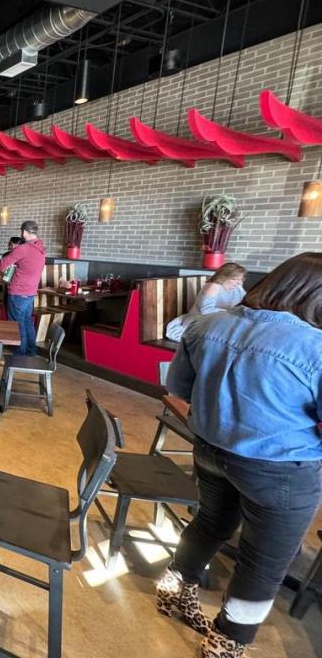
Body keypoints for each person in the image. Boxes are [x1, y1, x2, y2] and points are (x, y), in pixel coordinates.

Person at [161, 252, 322, 658]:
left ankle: (172, 591)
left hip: (209, 451)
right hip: (281, 470)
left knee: (209, 523)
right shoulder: (315, 348)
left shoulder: (207, 325)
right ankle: (226, 644)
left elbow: (178, 388)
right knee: (263, 562)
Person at [0, 220, 46, 355]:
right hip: (30, 292)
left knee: (17, 325)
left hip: (18, 292)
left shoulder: (23, 249)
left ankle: (19, 356)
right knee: (27, 322)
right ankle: (30, 352)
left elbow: (1, 265)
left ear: (24, 232)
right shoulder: (41, 248)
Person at [165, 262, 247, 341]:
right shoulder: (213, 286)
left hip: (221, 319)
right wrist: (232, 312)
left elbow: (245, 303)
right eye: (235, 279)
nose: (239, 283)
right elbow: (206, 311)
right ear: (224, 277)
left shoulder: (238, 288)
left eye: (241, 279)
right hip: (200, 320)